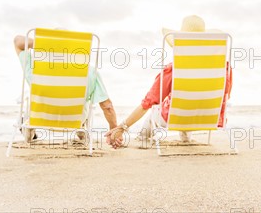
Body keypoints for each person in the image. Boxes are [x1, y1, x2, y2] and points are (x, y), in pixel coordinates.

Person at [105, 15, 233, 148]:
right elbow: (225, 96)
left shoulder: (173, 70)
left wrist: (121, 128)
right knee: (191, 100)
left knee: (155, 110)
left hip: (176, 119)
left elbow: (147, 103)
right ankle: (186, 138)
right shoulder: (225, 69)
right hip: (210, 119)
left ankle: (142, 139)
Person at [13, 33, 119, 141]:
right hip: (76, 120)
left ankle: (29, 137)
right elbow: (107, 106)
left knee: (29, 105)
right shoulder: (90, 71)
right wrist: (114, 130)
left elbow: (18, 41)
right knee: (83, 102)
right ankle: (82, 134)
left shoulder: (34, 68)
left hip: (39, 119)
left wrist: (45, 43)